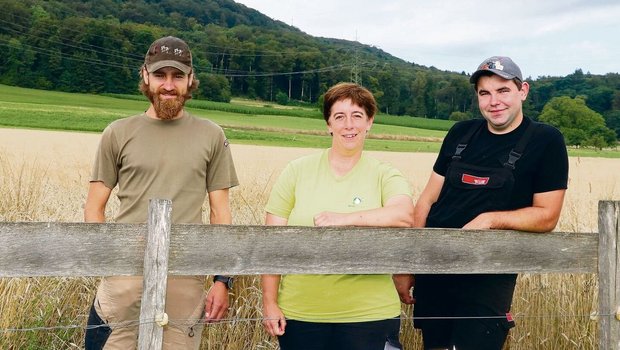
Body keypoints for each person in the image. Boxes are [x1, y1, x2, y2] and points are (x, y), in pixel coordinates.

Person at [83, 36, 239, 349]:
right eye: (160, 75)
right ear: (145, 76)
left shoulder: (212, 135)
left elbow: (220, 213)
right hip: (123, 280)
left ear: (191, 80)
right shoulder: (118, 133)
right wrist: (111, 267)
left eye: (178, 76)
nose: (168, 85)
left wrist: (222, 280)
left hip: (184, 281)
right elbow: (94, 207)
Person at [404, 56, 569, 350]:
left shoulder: (545, 141)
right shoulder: (460, 134)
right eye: (485, 93)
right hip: (436, 271)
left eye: (503, 90)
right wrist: (408, 266)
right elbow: (427, 200)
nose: (494, 101)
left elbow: (547, 216)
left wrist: (491, 220)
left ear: (523, 91)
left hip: (488, 279)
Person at [261, 82, 415, 350]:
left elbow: (403, 215)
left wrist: (343, 219)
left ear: (370, 123)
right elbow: (272, 243)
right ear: (328, 124)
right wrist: (270, 302)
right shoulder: (296, 172)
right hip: (301, 313)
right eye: (339, 117)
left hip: (370, 315)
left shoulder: (384, 174)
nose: (349, 125)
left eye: (357, 116)